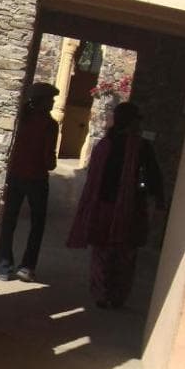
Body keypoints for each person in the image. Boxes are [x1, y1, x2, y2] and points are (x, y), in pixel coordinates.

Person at [67, 101, 169, 309]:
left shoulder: (104, 145)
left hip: (103, 206)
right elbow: (153, 175)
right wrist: (158, 199)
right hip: (129, 209)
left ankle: (101, 293)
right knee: (124, 254)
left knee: (102, 252)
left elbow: (93, 178)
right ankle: (116, 295)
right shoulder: (141, 147)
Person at [0, 81, 60, 281]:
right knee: (37, 224)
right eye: (50, 100)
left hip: (15, 175)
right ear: (42, 101)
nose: (53, 103)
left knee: (9, 221)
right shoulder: (49, 125)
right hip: (37, 179)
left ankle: (3, 266)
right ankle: (27, 267)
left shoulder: (20, 119)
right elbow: (49, 161)